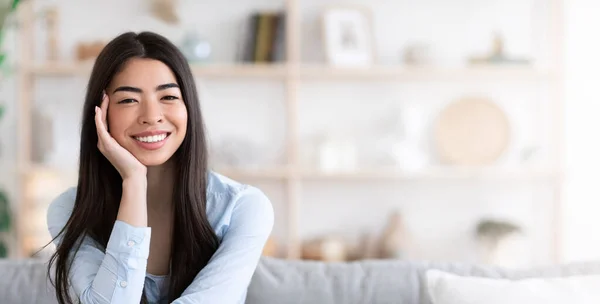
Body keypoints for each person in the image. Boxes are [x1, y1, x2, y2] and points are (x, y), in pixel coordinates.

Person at [45, 31, 274, 304]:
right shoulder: (70, 210)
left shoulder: (242, 209)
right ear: (101, 114)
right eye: (128, 100)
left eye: (168, 97)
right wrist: (133, 181)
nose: (152, 116)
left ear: (188, 106)